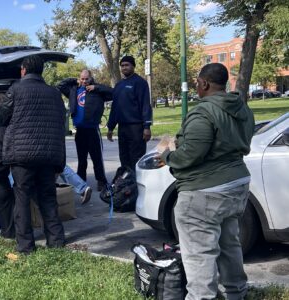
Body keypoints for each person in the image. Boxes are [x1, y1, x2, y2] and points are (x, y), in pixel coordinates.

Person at [157, 63, 255, 300]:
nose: (196, 86)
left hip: (204, 192)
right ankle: (236, 293)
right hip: (236, 185)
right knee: (230, 245)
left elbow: (191, 154)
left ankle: (202, 297)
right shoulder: (242, 109)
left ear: (204, 83)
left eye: (197, 83)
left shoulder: (203, 112)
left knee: (199, 254)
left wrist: (167, 155)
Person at [0, 55, 66, 254]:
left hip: (22, 155)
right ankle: (56, 241)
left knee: (22, 198)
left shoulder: (16, 89)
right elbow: (62, 121)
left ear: (24, 69)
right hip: (48, 154)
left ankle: (26, 246)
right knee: (48, 197)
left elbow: (0, 117)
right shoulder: (54, 93)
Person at [58, 70, 112, 191]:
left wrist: (96, 87)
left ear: (91, 78)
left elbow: (113, 92)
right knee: (82, 159)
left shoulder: (97, 91)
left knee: (97, 158)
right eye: (82, 79)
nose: (84, 81)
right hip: (80, 130)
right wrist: (74, 80)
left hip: (93, 129)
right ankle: (81, 182)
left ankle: (101, 182)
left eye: (86, 79)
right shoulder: (74, 90)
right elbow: (60, 85)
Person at [107, 55, 152, 171]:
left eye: (127, 65)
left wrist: (147, 127)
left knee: (136, 159)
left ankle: (138, 186)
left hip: (136, 128)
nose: (124, 68)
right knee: (124, 158)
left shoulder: (140, 83)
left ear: (133, 66)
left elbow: (146, 105)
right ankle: (127, 186)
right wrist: (110, 128)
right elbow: (115, 108)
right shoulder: (118, 85)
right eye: (122, 66)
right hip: (122, 128)